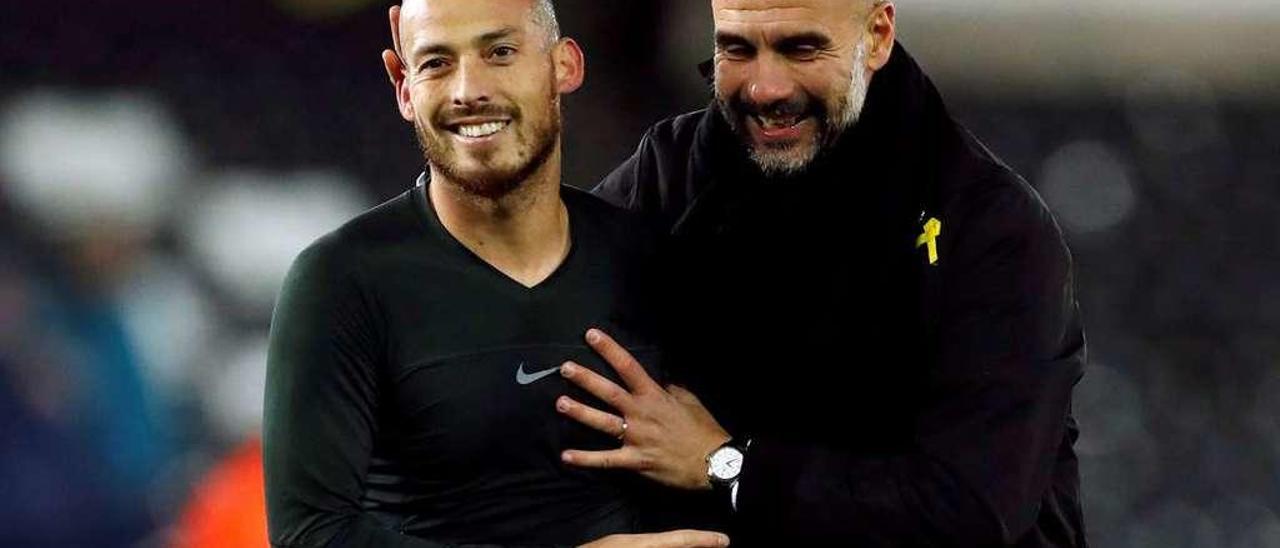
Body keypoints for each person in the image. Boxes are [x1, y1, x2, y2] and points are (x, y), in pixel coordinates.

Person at [554, 0, 1087, 546]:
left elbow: (970, 511)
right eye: (737, 49)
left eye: (800, 48)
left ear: (877, 35)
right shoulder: (671, 175)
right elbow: (528, 322)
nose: (765, 88)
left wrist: (727, 464)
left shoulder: (991, 229)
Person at [262, 1, 729, 547]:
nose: (468, 90)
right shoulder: (343, 280)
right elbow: (312, 534)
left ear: (565, 66)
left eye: (500, 52)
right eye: (436, 62)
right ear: (403, 88)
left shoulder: (647, 258)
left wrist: (719, 462)